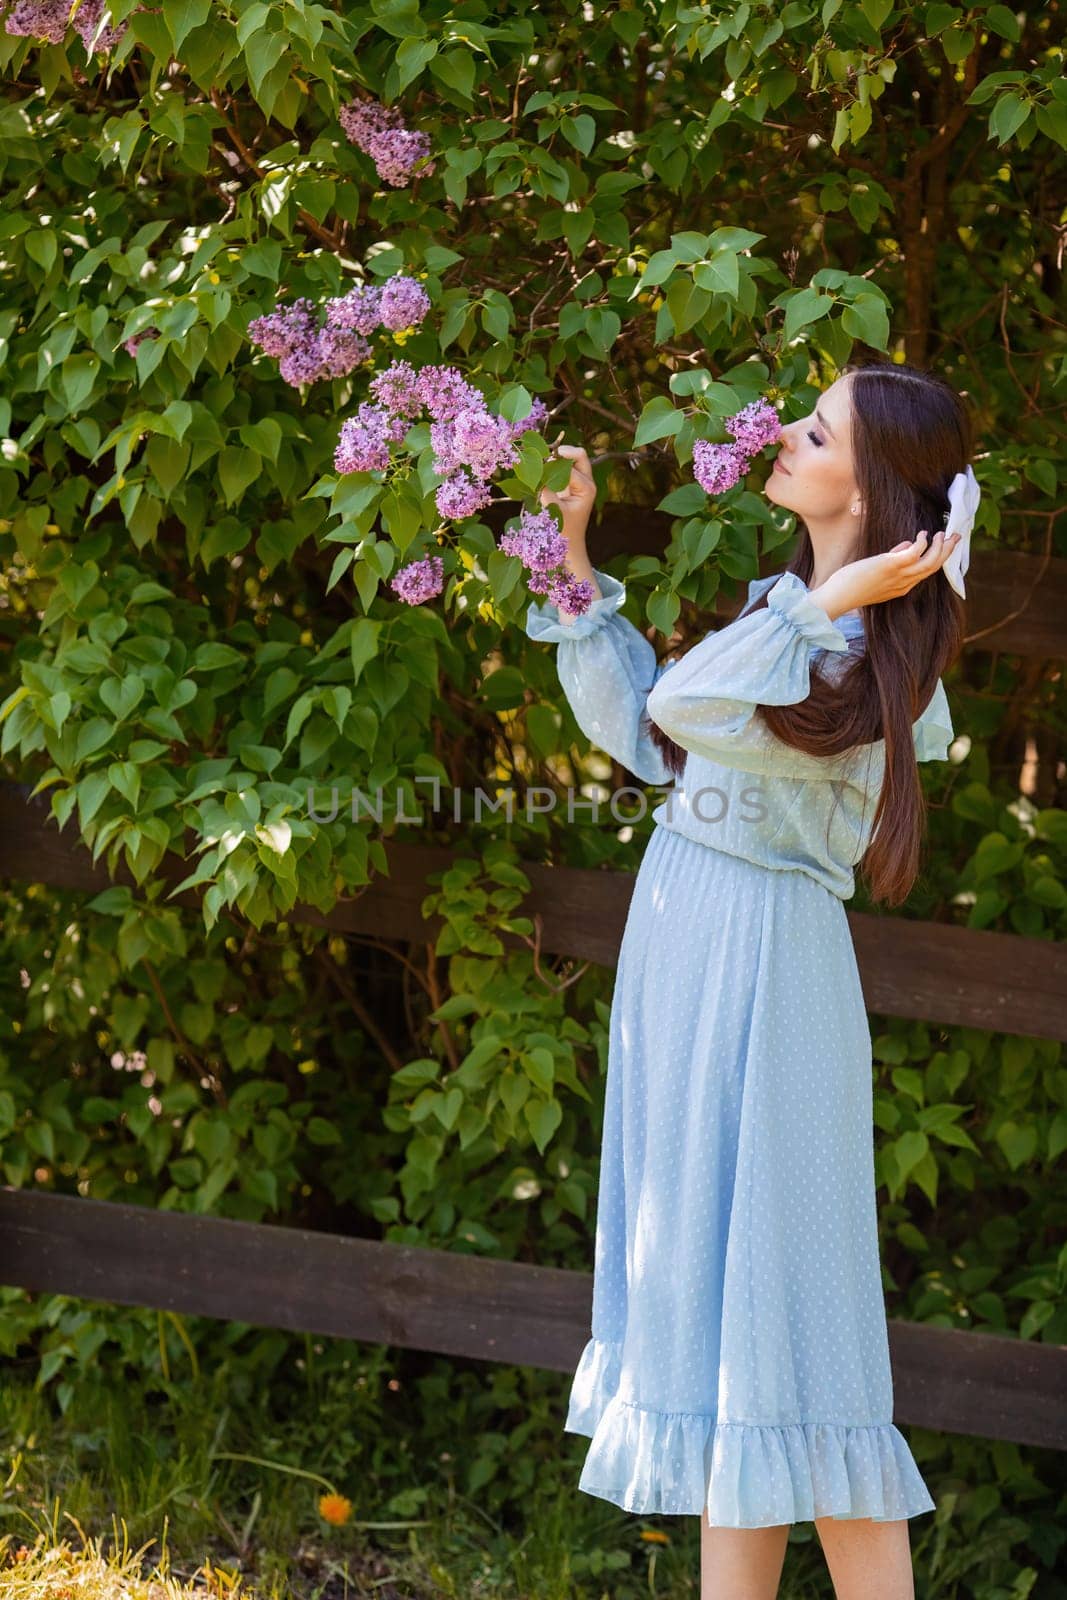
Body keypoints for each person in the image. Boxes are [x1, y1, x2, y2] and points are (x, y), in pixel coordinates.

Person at [524, 358, 974, 1600]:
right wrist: (570, 558)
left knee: (799, 1336)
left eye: (813, 429)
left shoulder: (863, 650)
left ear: (868, 483)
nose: (782, 433)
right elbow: (652, 735)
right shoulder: (792, 613)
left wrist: (824, 601)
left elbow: (680, 692)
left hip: (770, 977)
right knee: (734, 1347)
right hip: (683, 954)